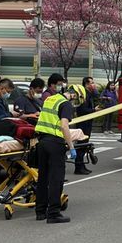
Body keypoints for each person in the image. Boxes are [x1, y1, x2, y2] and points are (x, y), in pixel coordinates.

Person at [35, 84, 85, 224]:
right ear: (74, 94)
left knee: (42, 178)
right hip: (55, 143)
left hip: (42, 142)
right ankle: (53, 213)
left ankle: (40, 211)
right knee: (56, 179)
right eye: (77, 100)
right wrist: (71, 146)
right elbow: (64, 126)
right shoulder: (65, 104)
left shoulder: (51, 99)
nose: (75, 103)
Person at [73, 76, 100, 175]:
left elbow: (98, 96)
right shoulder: (83, 95)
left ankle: (82, 165)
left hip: (87, 123)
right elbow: (82, 110)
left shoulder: (89, 94)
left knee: (84, 146)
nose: (94, 85)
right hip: (83, 124)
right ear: (87, 84)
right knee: (81, 145)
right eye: (92, 83)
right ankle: (78, 167)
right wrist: (94, 110)